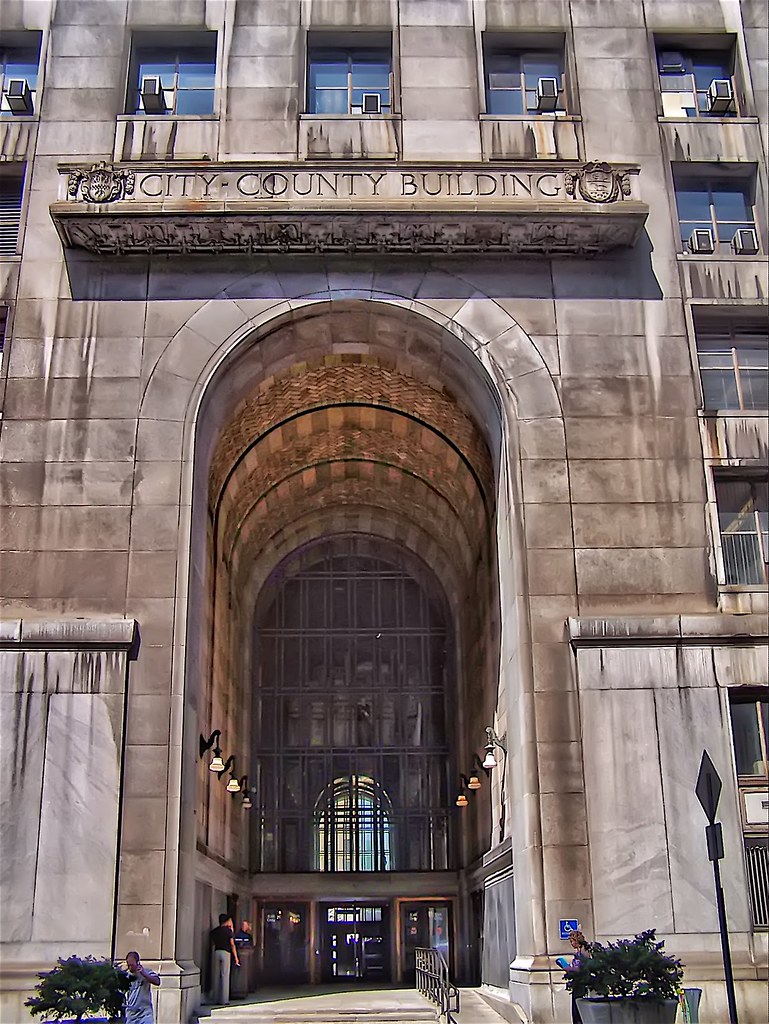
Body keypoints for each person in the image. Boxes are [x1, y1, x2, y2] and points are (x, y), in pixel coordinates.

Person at [210, 913, 240, 1004]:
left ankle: (215, 999)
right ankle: (224, 1000)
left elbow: (213, 942)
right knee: (225, 976)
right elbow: (232, 945)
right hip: (226, 952)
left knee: (216, 975)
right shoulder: (228, 931)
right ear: (226, 921)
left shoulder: (214, 931)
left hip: (216, 952)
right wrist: (236, 957)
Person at [124, 951, 160, 1024]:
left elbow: (157, 981)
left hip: (145, 1012)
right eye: (128, 965)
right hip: (131, 1013)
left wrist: (144, 974)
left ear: (137, 962)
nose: (130, 967)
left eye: (132, 965)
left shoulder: (146, 972)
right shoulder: (126, 976)